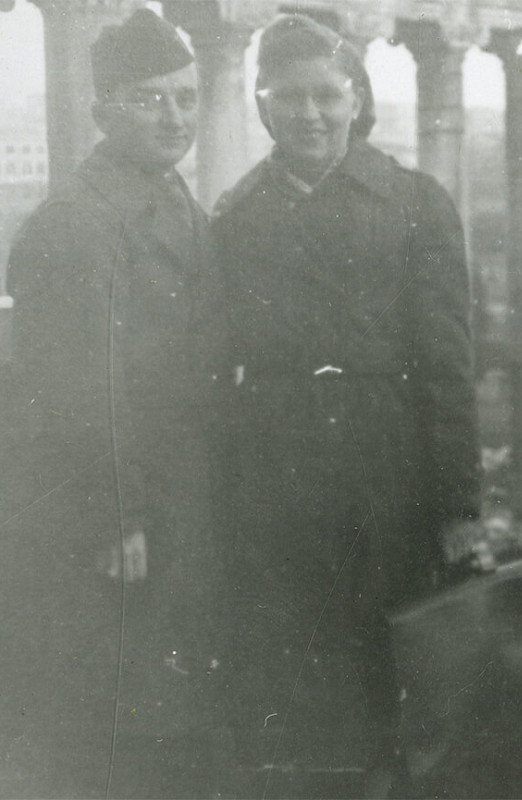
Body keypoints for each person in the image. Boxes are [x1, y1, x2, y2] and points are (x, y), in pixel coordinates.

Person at [212, 13, 482, 798]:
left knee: (394, 687)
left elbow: (447, 370)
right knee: (298, 695)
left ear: (357, 97)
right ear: (261, 106)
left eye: (327, 94)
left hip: (389, 482)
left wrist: (460, 507)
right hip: (277, 493)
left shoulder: (416, 203)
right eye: (288, 97)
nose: (310, 114)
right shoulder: (234, 220)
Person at [0, 10, 231, 798]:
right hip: (118, 520)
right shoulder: (76, 225)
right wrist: (116, 515)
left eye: (187, 98)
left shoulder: (169, 200)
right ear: (102, 112)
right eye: (149, 100)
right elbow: (72, 391)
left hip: (174, 501)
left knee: (166, 715)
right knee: (117, 727)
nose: (174, 118)